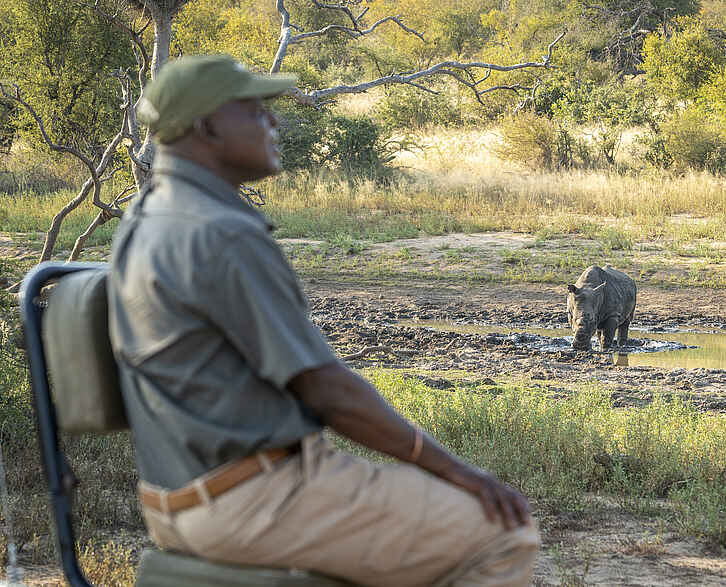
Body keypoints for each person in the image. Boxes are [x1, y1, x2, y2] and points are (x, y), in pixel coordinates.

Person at [107, 54, 538, 587]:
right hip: (254, 499)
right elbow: (327, 391)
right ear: (208, 125)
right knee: (503, 533)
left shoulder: (147, 215)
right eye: (256, 110)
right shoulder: (219, 233)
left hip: (175, 500)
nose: (275, 121)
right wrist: (455, 470)